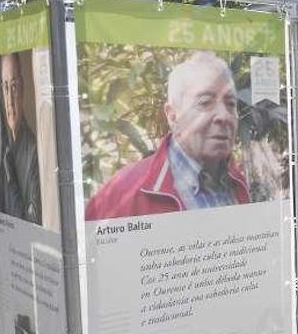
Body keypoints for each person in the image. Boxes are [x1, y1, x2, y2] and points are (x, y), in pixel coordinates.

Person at [85, 51, 250, 220]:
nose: (224, 116)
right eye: (205, 102)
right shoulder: (123, 193)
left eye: (231, 104)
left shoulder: (239, 183)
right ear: (172, 116)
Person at [0, 52, 42, 224]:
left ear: (23, 89)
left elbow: (33, 220)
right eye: (5, 87)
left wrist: (11, 178)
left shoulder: (32, 149)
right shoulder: (3, 143)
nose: (9, 99)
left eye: (14, 86)